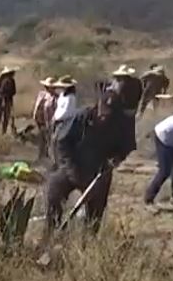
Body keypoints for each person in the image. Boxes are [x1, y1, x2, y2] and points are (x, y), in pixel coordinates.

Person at [42, 89, 136, 240]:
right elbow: (62, 142)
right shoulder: (81, 117)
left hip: (99, 171)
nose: (104, 117)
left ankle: (87, 242)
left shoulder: (120, 123)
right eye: (103, 111)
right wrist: (72, 171)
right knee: (54, 190)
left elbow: (127, 146)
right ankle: (50, 235)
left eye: (109, 114)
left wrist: (117, 158)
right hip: (73, 165)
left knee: (95, 211)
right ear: (98, 105)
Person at [50, 76, 78, 165]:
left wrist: (57, 118)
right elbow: (59, 108)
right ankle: (56, 161)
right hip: (58, 120)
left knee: (58, 141)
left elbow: (67, 112)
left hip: (66, 121)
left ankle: (60, 162)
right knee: (53, 141)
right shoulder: (62, 95)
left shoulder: (71, 97)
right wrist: (54, 117)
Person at [33, 77, 57, 160]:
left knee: (49, 140)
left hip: (50, 122)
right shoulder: (42, 95)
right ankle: (42, 157)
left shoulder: (55, 98)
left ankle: (48, 158)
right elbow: (37, 108)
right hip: (41, 121)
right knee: (42, 139)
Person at [0, 66, 18, 135]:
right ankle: (3, 132)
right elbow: (14, 92)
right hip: (7, 101)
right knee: (7, 117)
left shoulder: (1, 80)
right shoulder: (11, 81)